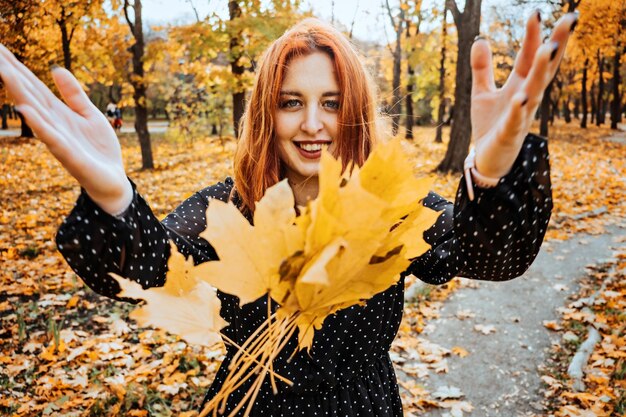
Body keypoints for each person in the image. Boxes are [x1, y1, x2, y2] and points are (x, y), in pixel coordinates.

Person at [0, 12, 578, 416]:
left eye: (330, 103)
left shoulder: (389, 211)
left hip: (363, 409)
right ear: (265, 113)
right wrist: (114, 196)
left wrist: (494, 172)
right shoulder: (222, 211)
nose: (311, 124)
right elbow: (152, 271)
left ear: (353, 111)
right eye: (291, 103)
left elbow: (488, 254)